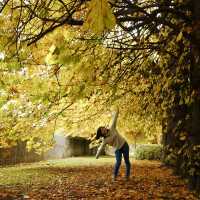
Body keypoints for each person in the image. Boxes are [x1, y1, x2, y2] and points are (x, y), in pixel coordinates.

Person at [95, 108, 131, 181]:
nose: (104, 129)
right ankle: (114, 176)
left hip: (124, 145)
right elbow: (101, 148)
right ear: (101, 134)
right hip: (117, 149)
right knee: (118, 162)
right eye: (102, 130)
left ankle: (127, 176)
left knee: (127, 161)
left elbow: (114, 118)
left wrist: (116, 111)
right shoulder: (105, 140)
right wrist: (97, 155)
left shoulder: (112, 128)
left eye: (103, 128)